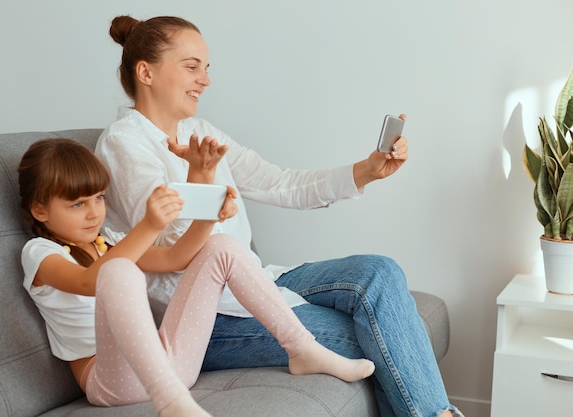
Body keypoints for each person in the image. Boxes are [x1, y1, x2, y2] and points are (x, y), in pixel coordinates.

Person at [96, 15, 463, 417]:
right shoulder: (124, 144)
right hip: (205, 319)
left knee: (381, 271)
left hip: (256, 282)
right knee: (380, 331)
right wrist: (201, 179)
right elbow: (174, 246)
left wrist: (366, 170)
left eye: (206, 68)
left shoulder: (199, 130)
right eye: (191, 66)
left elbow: (280, 183)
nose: (205, 79)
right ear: (145, 72)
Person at [18, 139, 376, 417]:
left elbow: (178, 257)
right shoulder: (39, 252)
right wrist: (149, 226)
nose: (94, 212)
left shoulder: (107, 241)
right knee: (117, 269)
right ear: (39, 210)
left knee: (222, 246)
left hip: (170, 363)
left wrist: (210, 217)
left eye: (98, 198)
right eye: (77, 204)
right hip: (111, 383)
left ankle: (303, 349)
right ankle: (171, 402)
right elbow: (88, 282)